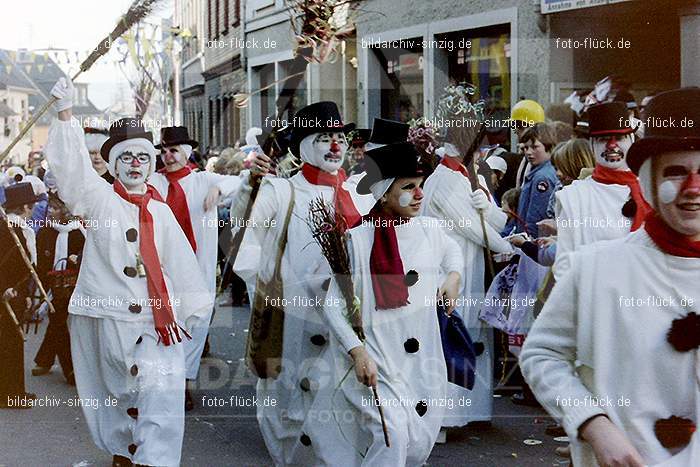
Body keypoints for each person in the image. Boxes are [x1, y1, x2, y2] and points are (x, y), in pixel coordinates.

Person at [521, 87, 700, 466]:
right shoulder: (595, 268)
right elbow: (542, 354)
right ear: (652, 180)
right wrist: (592, 423)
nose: (693, 189)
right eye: (676, 172)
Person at [45, 78, 212, 467]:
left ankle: (153, 459)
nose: (135, 165)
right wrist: (66, 114)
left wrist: (192, 312)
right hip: (109, 317)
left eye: (142, 158)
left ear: (150, 164)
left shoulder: (161, 211)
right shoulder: (100, 199)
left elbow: (182, 265)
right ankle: (124, 449)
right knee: (115, 392)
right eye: (127, 158)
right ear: (115, 165)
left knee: (161, 392)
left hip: (158, 323)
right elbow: (72, 174)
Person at [230, 101, 375, 466]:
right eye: (324, 138)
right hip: (296, 317)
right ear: (306, 145)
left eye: (339, 137)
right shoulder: (282, 191)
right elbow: (244, 229)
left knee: (341, 398)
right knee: (293, 398)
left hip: (347, 317)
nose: (335, 146)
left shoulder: (357, 192)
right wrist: (251, 185)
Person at [311, 142, 463, 466]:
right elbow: (332, 305)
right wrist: (358, 351)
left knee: (417, 444)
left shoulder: (430, 229)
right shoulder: (358, 239)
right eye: (408, 187)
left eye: (421, 185)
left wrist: (453, 277)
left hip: (422, 364)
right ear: (383, 193)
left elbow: (453, 251)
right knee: (391, 434)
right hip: (378, 359)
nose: (420, 194)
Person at [148, 126, 241, 410]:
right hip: (162, 265)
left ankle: (185, 382)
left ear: (186, 152)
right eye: (163, 151)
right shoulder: (154, 182)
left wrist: (218, 188)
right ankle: (162, 382)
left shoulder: (202, 180)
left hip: (197, 266)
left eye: (173, 150)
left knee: (195, 323)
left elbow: (241, 180)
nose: (167, 156)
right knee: (163, 321)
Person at [422, 142, 513, 427]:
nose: (481, 156)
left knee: (474, 337)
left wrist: (488, 207)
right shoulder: (443, 180)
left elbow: (496, 221)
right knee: (453, 337)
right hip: (451, 270)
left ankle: (474, 411)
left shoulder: (472, 177)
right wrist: (512, 247)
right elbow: (475, 229)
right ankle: (445, 419)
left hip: (474, 270)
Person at [553, 102, 652, 279]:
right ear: (592, 145)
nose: (612, 145)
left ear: (632, 141)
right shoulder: (573, 197)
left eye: (619, 138)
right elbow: (564, 267)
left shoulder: (652, 190)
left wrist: (632, 121)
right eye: (603, 139)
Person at [31, 193, 85, 385]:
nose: (50, 211)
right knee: (57, 322)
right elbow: (39, 260)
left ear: (65, 210)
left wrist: (75, 260)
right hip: (50, 285)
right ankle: (56, 364)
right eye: (50, 207)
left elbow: (86, 260)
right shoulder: (46, 231)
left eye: (55, 208)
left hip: (71, 286)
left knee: (57, 321)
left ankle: (56, 364)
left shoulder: (78, 233)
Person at [0, 182, 39, 409]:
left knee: (13, 343)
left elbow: (27, 268)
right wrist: (4, 288)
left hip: (16, 292)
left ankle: (16, 390)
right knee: (9, 344)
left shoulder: (19, 228)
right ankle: (9, 394)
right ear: (25, 207)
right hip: (7, 294)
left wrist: (25, 293)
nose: (33, 209)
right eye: (31, 205)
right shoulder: (8, 231)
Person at [504, 122, 560, 236]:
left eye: (534, 147)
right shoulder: (539, 172)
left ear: (548, 146)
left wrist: (527, 244)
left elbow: (536, 218)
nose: (528, 152)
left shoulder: (542, 178)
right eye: (525, 148)